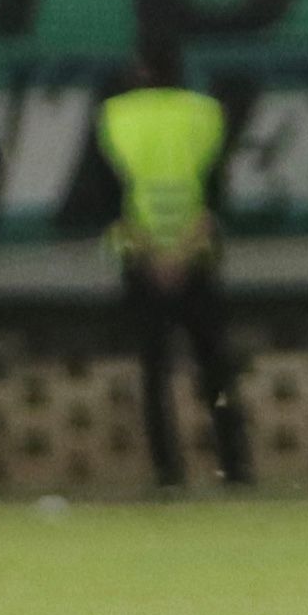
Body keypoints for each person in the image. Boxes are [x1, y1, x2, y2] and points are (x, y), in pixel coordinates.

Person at [103, 33, 250, 492]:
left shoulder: (115, 117)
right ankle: (235, 470)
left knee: (154, 370)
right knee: (215, 367)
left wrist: (152, 254)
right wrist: (183, 253)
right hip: (198, 260)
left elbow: (106, 199)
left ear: (137, 72)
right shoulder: (205, 114)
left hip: (140, 261)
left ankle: (168, 474)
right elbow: (217, 195)